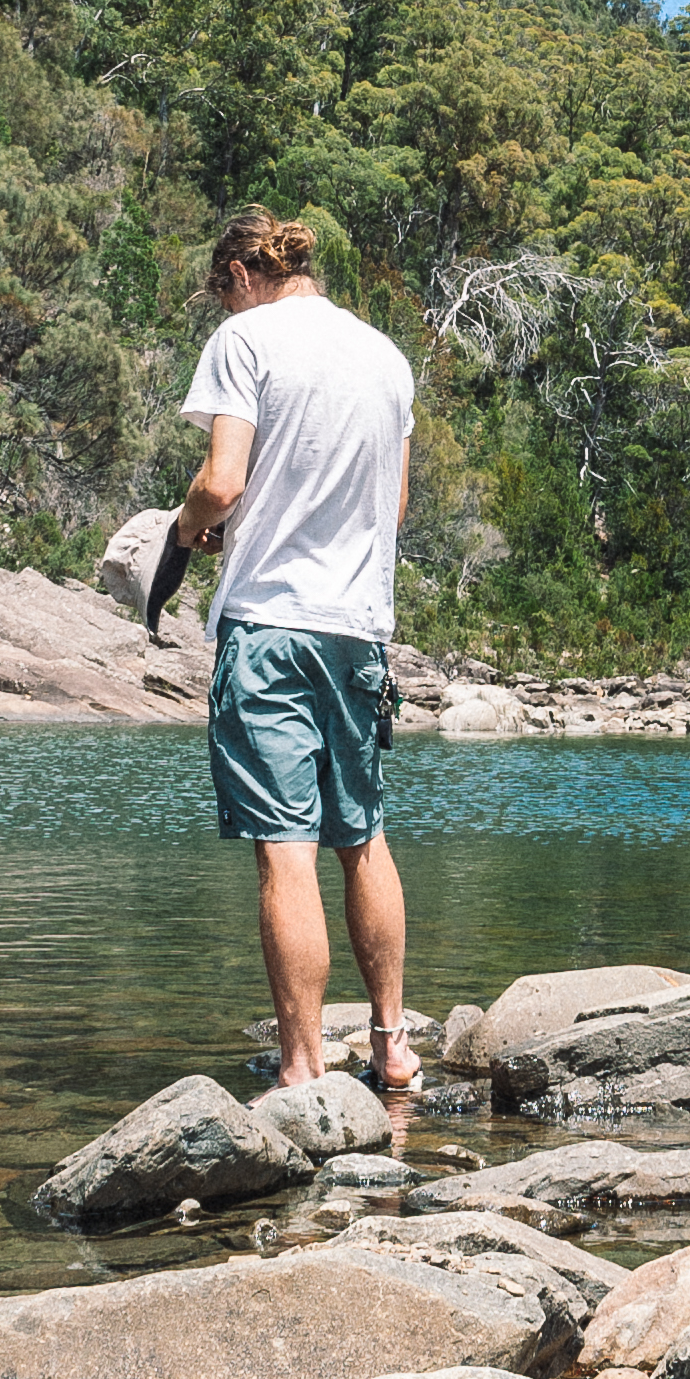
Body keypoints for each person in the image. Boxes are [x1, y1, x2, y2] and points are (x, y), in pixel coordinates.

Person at [174, 206, 420, 1091]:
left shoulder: (247, 343)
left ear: (241, 274)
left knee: (285, 845)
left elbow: (222, 481)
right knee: (362, 836)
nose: (222, 310)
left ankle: (304, 1068)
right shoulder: (387, 358)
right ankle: (393, 1048)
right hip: (359, 630)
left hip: (272, 625)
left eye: (220, 295)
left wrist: (190, 526)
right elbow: (390, 516)